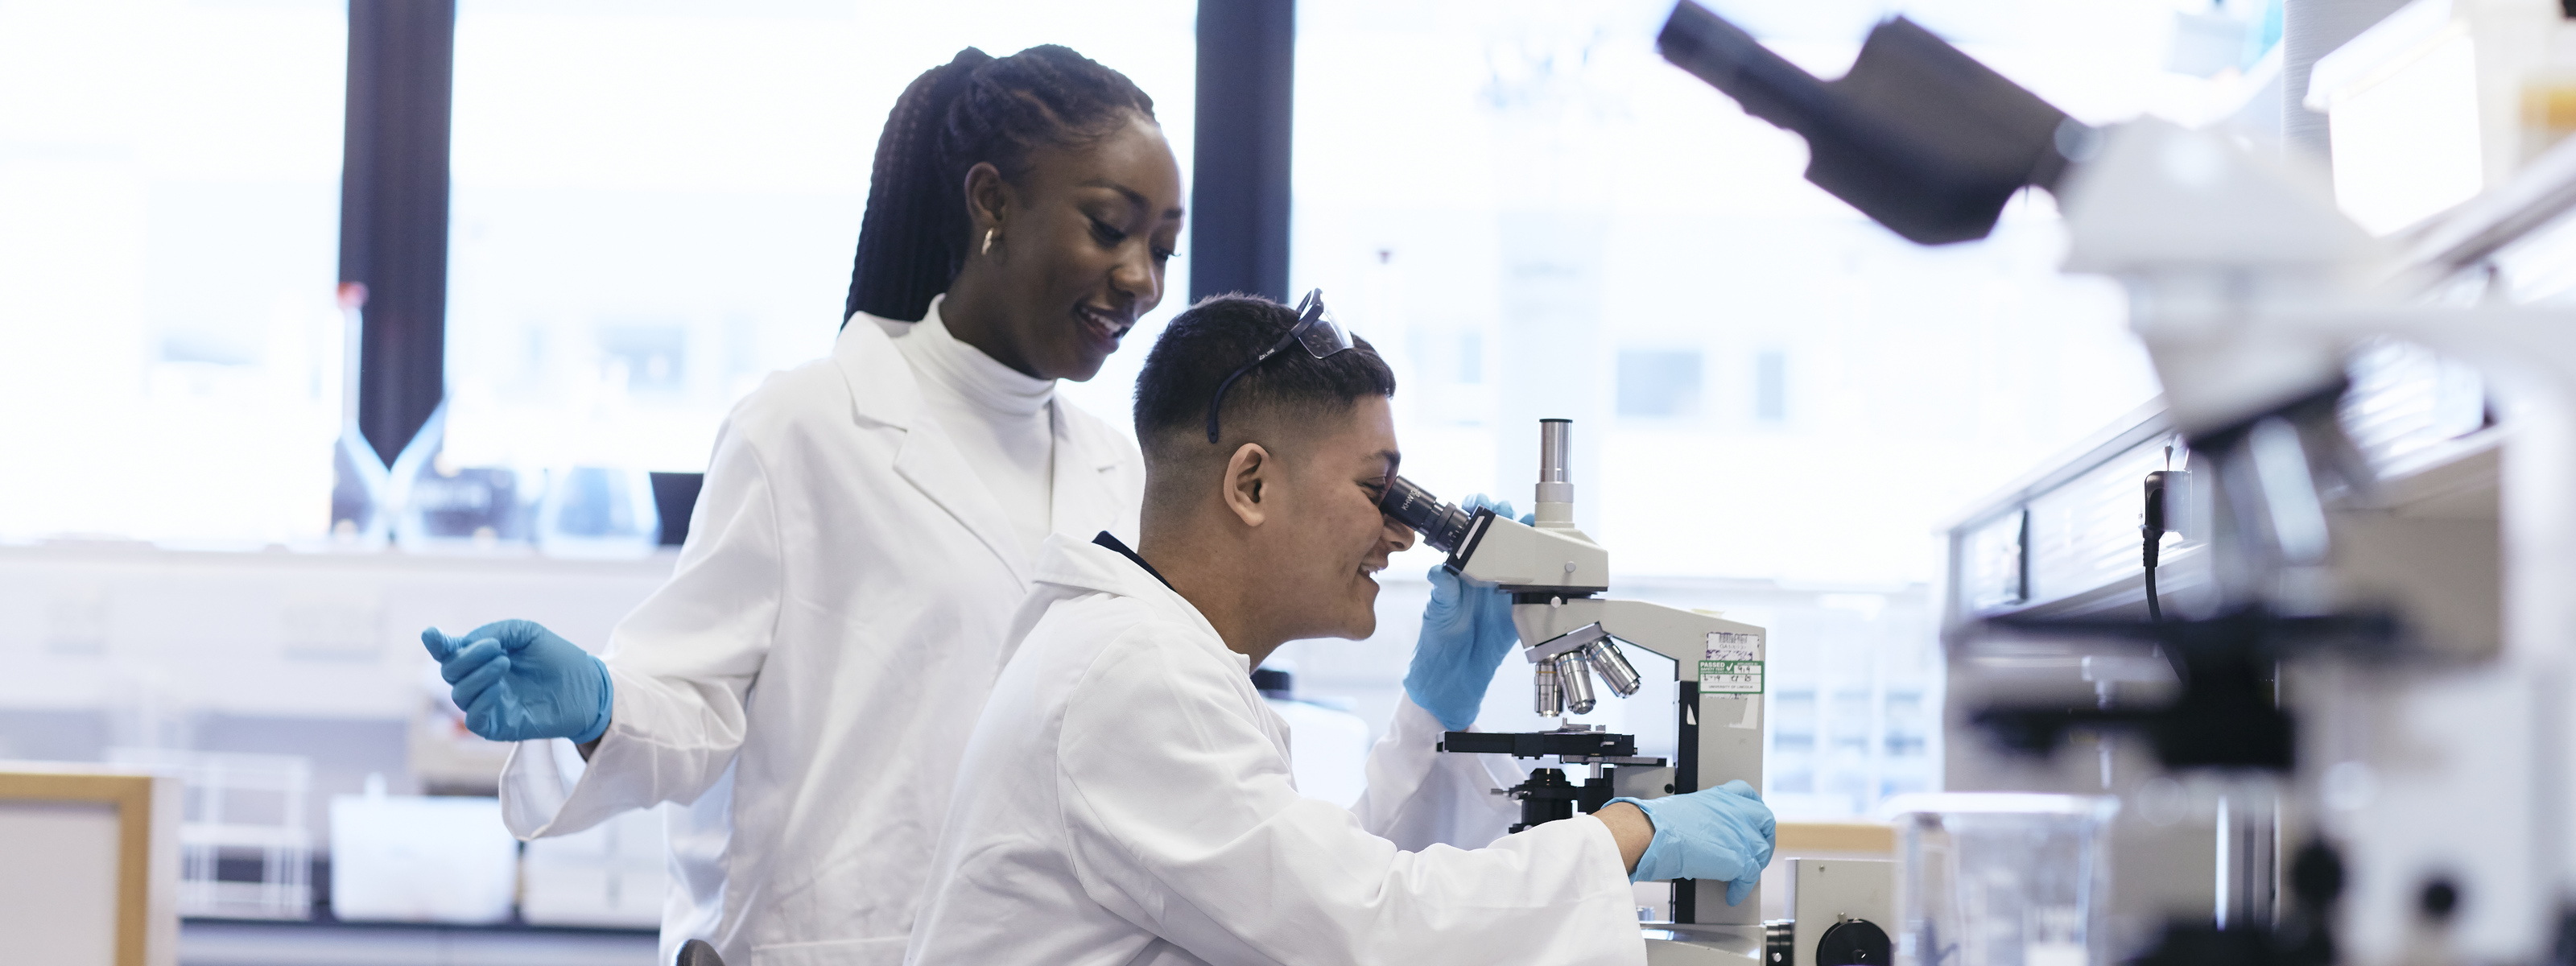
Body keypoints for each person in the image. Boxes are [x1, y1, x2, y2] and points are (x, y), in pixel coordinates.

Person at [418, 45, 1183, 966]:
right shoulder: (805, 427)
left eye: (1162, 248)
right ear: (992, 203)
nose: (1141, 278)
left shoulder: (1118, 472)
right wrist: (599, 705)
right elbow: (694, 702)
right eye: (1108, 229)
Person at [903, 294, 1777, 965]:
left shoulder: (1146, 655)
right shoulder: (1134, 675)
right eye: (1379, 491)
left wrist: (1434, 713)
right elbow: (1367, 927)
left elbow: (1310, 891)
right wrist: (1625, 834)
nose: (1399, 533)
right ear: (1250, 485)